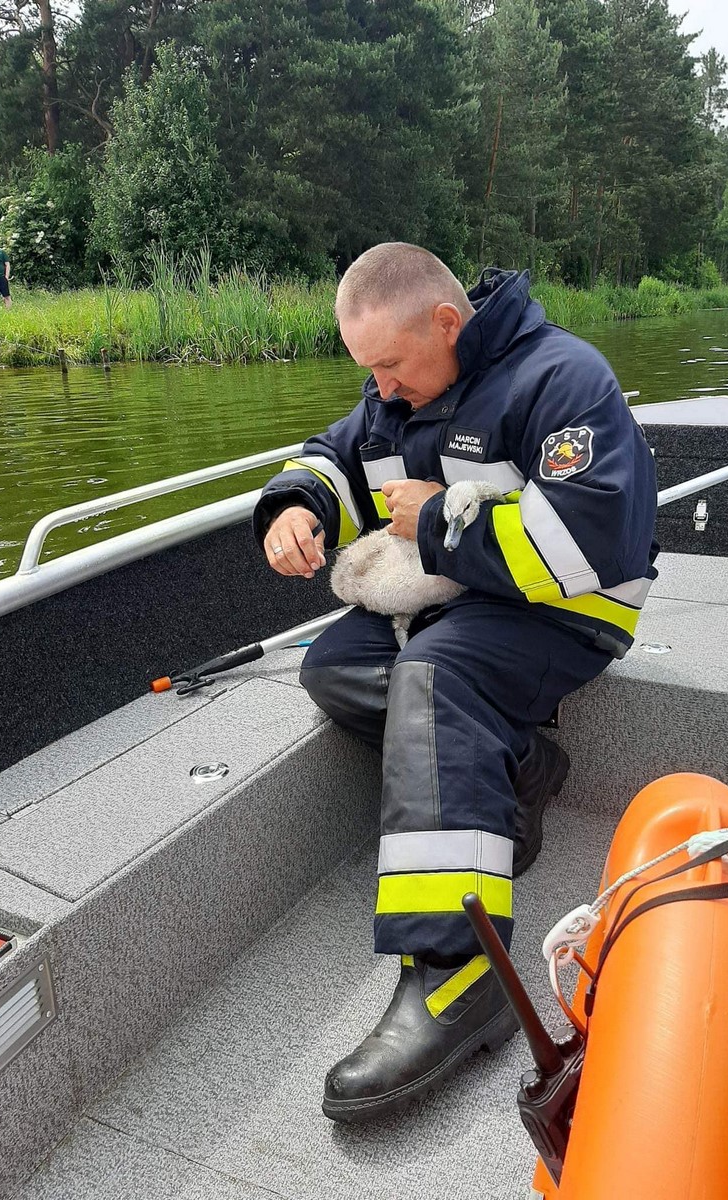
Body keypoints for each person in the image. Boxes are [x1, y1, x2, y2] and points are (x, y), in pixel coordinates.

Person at [252, 242, 658, 1123]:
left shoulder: (563, 379)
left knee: (432, 676)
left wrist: (437, 517)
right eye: (368, 371)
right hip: (465, 598)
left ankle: (458, 971)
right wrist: (295, 507)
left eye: (390, 366)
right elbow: (338, 456)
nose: (381, 388)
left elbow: (592, 544)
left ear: (446, 323)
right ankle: (516, 770)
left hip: (565, 611)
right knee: (332, 666)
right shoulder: (398, 393)